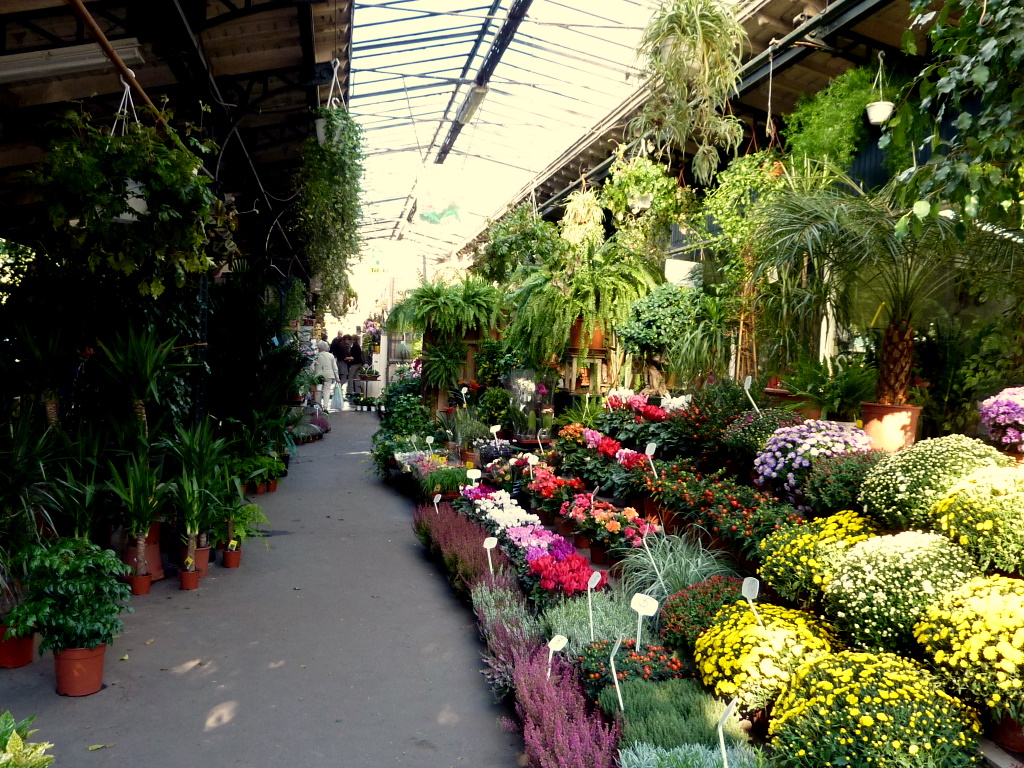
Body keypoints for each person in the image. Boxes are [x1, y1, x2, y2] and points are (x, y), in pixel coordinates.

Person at [313, 341, 339, 411]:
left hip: (318, 375)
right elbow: (335, 368)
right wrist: (337, 378)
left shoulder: (316, 356)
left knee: (318, 391)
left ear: (319, 348)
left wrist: (312, 374)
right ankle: (325, 407)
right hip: (329, 375)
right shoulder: (331, 356)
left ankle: (318, 407)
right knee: (327, 391)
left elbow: (312, 366)